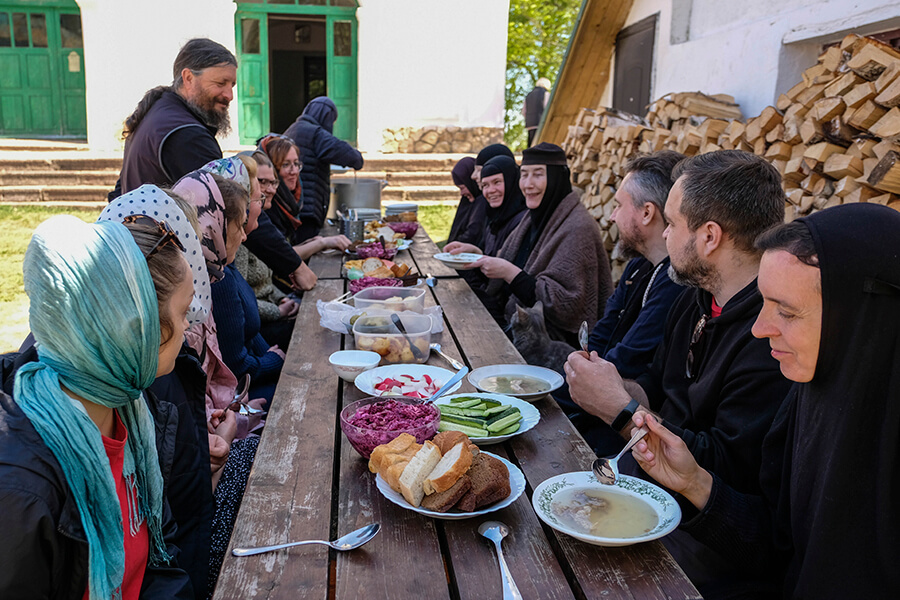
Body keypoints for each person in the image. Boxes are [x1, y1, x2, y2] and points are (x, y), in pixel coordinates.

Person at [630, 203, 900, 599]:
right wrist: (695, 482)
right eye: (764, 304)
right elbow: (778, 549)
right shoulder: (809, 398)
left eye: (786, 312)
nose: (759, 328)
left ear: (864, 318)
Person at [564, 150, 794, 591]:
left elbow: (726, 467)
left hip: (708, 541)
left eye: (671, 223)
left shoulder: (772, 337)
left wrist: (620, 409)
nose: (664, 235)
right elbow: (658, 384)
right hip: (647, 486)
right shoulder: (694, 298)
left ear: (709, 236)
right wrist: (613, 386)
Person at [0, 215, 193, 599]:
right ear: (133, 331)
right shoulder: (22, 493)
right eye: (184, 312)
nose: (189, 329)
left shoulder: (132, 413)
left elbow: (160, 557)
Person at [556, 151, 685, 456]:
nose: (611, 216)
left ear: (646, 212)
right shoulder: (637, 268)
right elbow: (599, 338)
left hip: (624, 437)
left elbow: (625, 361)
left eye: (618, 205)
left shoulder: (675, 284)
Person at [472, 143, 612, 346]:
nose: (527, 184)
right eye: (524, 174)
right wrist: (475, 255)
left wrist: (510, 273)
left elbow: (566, 305)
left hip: (556, 347)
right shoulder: (532, 219)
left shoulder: (578, 227)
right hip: (520, 330)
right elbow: (505, 260)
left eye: (538, 174)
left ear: (556, 177)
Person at [112, 38, 237, 198]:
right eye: (220, 83)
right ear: (189, 78)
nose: (229, 95)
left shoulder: (156, 112)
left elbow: (119, 192)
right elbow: (223, 209)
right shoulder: (188, 135)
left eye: (231, 85)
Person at [445, 155, 527, 314]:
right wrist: (475, 252)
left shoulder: (523, 221)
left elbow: (512, 280)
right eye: (485, 185)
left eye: (497, 182)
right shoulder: (494, 217)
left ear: (512, 181)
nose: (490, 190)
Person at [283, 96, 364, 240]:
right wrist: (358, 158)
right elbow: (353, 158)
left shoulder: (292, 129)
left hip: (293, 206)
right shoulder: (315, 134)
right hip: (308, 210)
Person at [257, 133, 351, 257]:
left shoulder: (288, 202)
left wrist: (312, 242)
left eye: (296, 163)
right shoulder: (265, 205)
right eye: (285, 165)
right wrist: (322, 243)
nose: (294, 171)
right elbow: (281, 256)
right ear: (272, 169)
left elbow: (284, 246)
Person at [446, 156, 485, 245]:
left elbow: (473, 233)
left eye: (463, 188)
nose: (462, 193)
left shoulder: (482, 202)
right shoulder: (466, 202)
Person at [522, 77, 551, 147]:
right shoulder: (546, 94)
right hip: (541, 123)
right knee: (541, 146)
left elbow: (523, 111)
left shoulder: (528, 95)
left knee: (531, 145)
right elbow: (547, 109)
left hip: (530, 125)